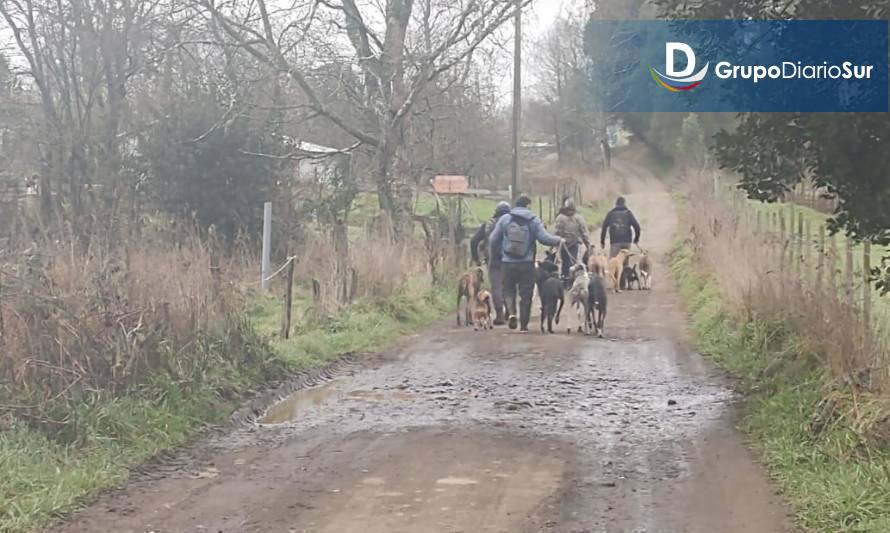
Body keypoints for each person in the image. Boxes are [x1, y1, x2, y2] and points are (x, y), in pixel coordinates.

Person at [489, 195, 564, 332]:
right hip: (527, 262)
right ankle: (523, 326)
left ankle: (511, 313)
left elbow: (493, 239)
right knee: (526, 294)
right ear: (528, 205)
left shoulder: (505, 219)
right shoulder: (533, 220)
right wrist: (558, 240)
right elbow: (544, 238)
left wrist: (498, 255)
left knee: (508, 289)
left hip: (507, 262)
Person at [470, 201, 512, 325]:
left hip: (493, 259)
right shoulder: (512, 223)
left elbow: (474, 241)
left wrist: (476, 258)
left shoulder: (488, 224)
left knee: (496, 286)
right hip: (510, 259)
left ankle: (499, 315)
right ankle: (509, 311)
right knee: (508, 286)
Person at [554, 198, 591, 282]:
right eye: (569, 210)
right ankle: (565, 278)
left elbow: (584, 232)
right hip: (563, 244)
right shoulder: (561, 218)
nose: (570, 212)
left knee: (571, 262)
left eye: (571, 210)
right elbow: (557, 232)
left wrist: (587, 244)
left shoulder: (577, 218)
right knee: (565, 262)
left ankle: (569, 279)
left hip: (573, 243)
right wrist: (553, 244)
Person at [600, 196, 641, 260]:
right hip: (626, 242)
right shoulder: (628, 213)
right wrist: (636, 239)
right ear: (624, 204)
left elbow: (604, 227)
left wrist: (602, 242)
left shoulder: (611, 214)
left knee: (613, 264)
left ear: (616, 204)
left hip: (615, 242)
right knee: (625, 265)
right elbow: (637, 227)